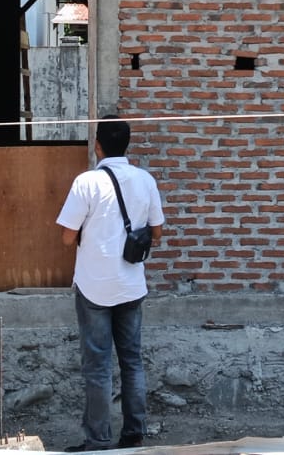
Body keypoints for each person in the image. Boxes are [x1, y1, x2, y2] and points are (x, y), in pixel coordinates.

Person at [56, 117, 164, 452]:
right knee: (132, 360)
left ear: (97, 144)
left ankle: (98, 440)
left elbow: (66, 237)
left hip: (94, 286)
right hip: (131, 285)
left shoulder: (86, 182)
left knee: (98, 365)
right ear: (127, 144)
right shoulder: (145, 180)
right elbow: (157, 233)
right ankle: (133, 434)